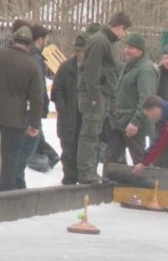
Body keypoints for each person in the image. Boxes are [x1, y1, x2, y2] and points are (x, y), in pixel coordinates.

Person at [0, 26, 44, 194]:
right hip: (15, 119)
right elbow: (36, 98)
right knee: (9, 156)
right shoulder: (32, 65)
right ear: (29, 44)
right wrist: (34, 123)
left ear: (13, 39)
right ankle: (5, 194)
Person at [77, 11, 132, 184]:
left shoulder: (104, 41)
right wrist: (94, 96)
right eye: (125, 31)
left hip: (102, 94)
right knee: (90, 134)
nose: (125, 35)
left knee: (96, 134)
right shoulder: (100, 41)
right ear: (120, 27)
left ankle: (91, 172)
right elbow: (91, 70)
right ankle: (86, 172)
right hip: (96, 95)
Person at [103, 33, 157, 174]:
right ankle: (106, 187)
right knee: (110, 157)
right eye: (126, 46)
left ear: (140, 50)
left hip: (134, 125)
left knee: (140, 161)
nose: (127, 50)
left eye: (131, 48)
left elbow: (146, 99)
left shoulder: (146, 69)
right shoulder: (130, 66)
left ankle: (148, 189)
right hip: (120, 122)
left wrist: (136, 122)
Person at [14, 23, 56, 189]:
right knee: (27, 146)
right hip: (31, 110)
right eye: (46, 40)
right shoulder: (36, 58)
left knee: (30, 144)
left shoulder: (24, 55)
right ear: (40, 40)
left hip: (22, 108)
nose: (47, 43)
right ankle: (16, 181)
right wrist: (40, 110)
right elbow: (38, 88)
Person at [51, 33, 88, 185]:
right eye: (78, 50)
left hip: (85, 116)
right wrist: (63, 110)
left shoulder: (94, 68)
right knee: (68, 151)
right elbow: (56, 91)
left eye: (83, 50)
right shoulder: (66, 68)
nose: (80, 54)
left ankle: (83, 178)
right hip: (68, 117)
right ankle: (69, 179)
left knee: (84, 150)